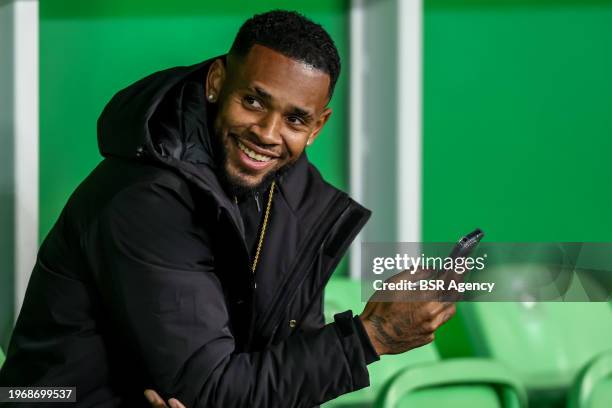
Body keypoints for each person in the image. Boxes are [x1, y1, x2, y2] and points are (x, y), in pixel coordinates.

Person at [0, 10, 456, 407]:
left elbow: (280, 378)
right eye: (254, 101)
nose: (268, 133)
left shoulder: (288, 195)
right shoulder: (147, 199)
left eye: (296, 118)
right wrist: (370, 337)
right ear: (217, 82)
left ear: (318, 125)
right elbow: (213, 390)